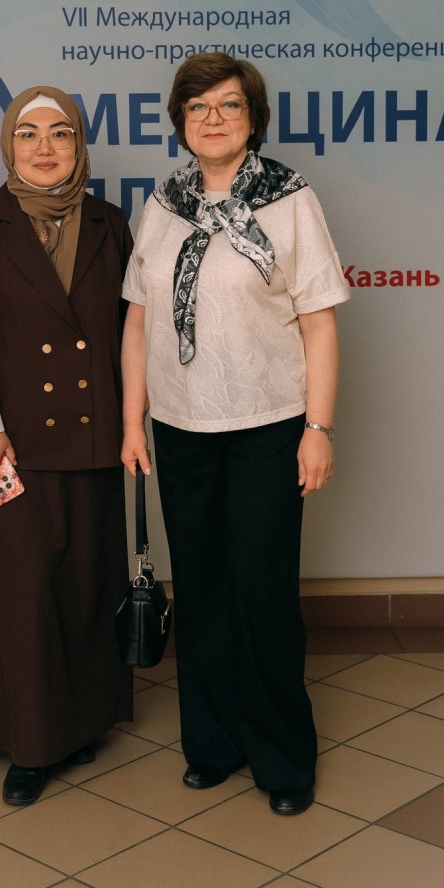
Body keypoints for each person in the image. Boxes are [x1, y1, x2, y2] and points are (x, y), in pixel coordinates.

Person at [121, 53, 350, 816]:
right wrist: (132, 420)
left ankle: (283, 758)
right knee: (202, 588)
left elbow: (319, 325)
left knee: (262, 591)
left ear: (253, 119)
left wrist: (318, 427)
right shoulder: (164, 203)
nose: (212, 119)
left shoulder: (289, 199)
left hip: (268, 426)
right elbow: (138, 320)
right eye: (197, 107)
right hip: (180, 426)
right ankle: (213, 743)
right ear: (180, 122)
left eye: (228, 105)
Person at [0, 85, 133, 807]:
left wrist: (134, 421)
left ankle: (80, 723)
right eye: (29, 134)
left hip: (93, 434)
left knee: (86, 584)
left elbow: (131, 331)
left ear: (79, 145)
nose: (45, 147)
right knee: (21, 593)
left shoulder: (111, 223)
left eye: (60, 133)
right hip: (9, 442)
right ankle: (28, 743)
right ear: (9, 146)